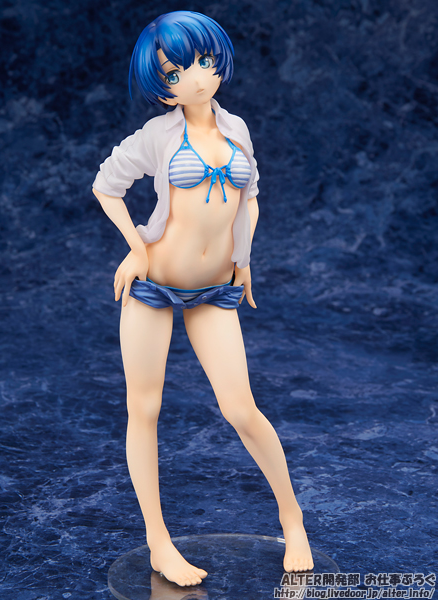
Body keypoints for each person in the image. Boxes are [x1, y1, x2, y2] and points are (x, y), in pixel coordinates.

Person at [92, 10, 314, 587]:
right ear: (161, 84)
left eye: (204, 61)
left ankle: (293, 519)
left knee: (241, 407)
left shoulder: (237, 129)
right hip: (151, 286)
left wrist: (244, 258)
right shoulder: (157, 135)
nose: (194, 78)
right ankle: (158, 542)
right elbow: (106, 185)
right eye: (175, 73)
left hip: (215, 289)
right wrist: (135, 249)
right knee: (144, 410)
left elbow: (251, 196)